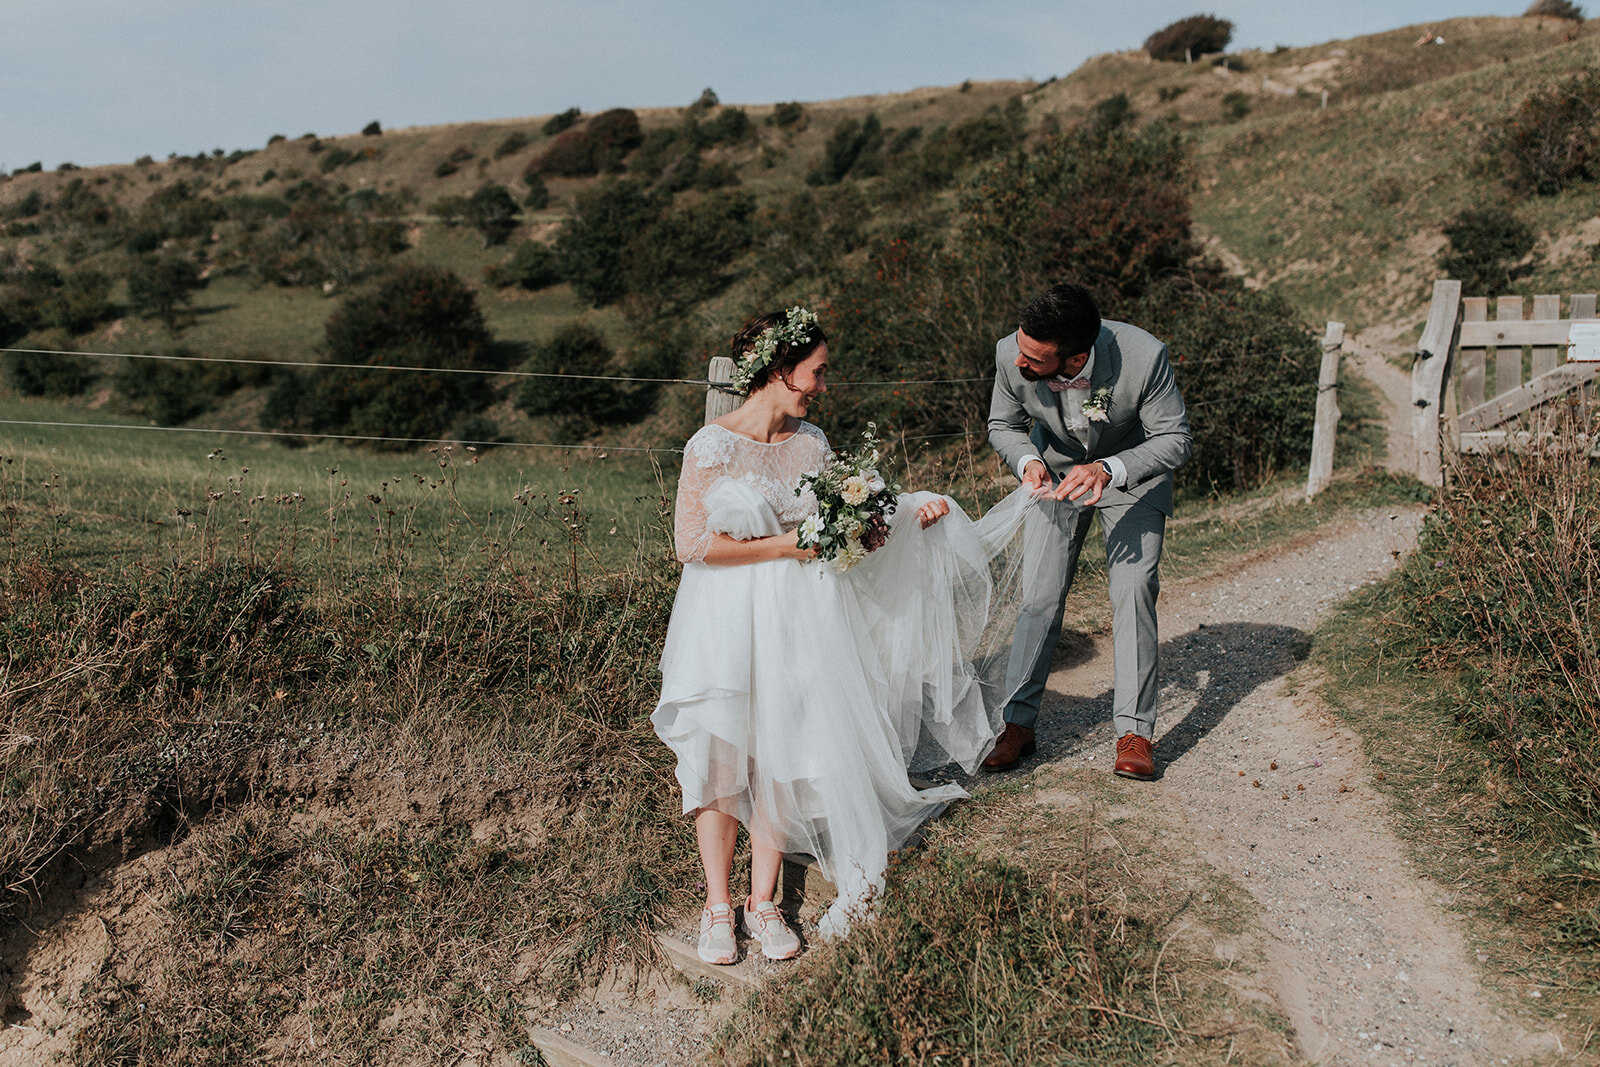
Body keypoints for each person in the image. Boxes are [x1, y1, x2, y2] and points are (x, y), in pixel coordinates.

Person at [654, 307, 1034, 963]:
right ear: (779, 369)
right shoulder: (708, 445)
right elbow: (693, 543)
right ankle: (717, 906)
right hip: (722, 614)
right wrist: (787, 545)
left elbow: (845, 527)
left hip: (800, 613)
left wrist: (908, 513)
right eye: (816, 371)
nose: (822, 385)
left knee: (782, 748)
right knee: (722, 756)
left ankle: (763, 900)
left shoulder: (813, 444)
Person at [983, 282, 1192, 780]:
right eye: (1021, 348)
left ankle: (1135, 730)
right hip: (1053, 473)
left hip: (1129, 473)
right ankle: (1018, 723)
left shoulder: (1144, 357)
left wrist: (1108, 469)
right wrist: (1028, 461)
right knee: (1039, 596)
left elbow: (1176, 439)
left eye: (1035, 358)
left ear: (1077, 357)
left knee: (1133, 590)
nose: (1020, 363)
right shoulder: (1011, 352)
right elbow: (1001, 424)